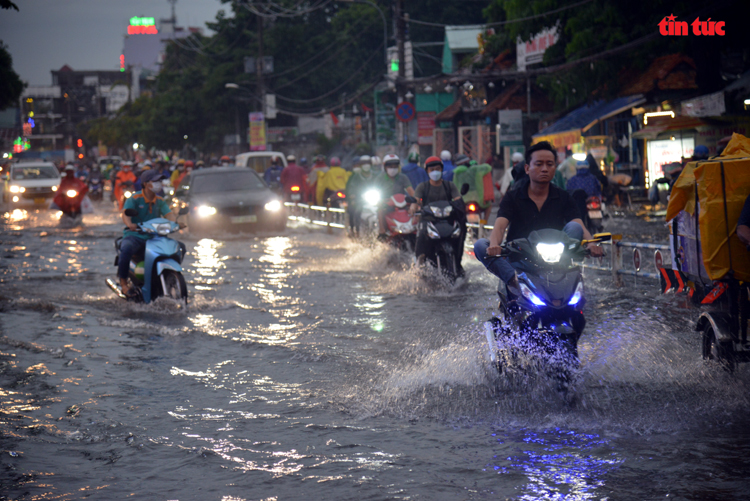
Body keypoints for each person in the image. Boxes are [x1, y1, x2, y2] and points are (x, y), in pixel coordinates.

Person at [474, 141, 605, 290]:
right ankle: (514, 281)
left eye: (549, 164)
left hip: (555, 259)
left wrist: (591, 243)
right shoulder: (513, 197)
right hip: (520, 258)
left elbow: (578, 224)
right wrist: (494, 245)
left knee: (574, 227)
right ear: (527, 168)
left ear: (555, 168)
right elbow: (499, 227)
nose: (544, 169)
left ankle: (565, 275)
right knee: (480, 245)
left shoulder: (564, 197)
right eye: (539, 164)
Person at [118, 169, 178, 298]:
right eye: (155, 181)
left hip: (155, 236)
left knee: (179, 248)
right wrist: (130, 224)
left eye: (159, 181)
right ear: (145, 184)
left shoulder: (160, 200)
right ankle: (123, 284)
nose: (159, 183)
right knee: (126, 248)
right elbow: (125, 214)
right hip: (136, 235)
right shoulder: (134, 198)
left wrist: (176, 224)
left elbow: (169, 214)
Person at [409, 156, 466, 272]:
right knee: (421, 238)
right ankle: (419, 266)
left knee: (462, 228)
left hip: (447, 220)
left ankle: (458, 262)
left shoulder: (450, 186)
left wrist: (460, 205)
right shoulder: (423, 187)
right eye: (432, 170)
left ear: (441, 170)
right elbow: (415, 200)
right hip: (428, 220)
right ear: (427, 172)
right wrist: (413, 207)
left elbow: (458, 199)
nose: (435, 171)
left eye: (437, 169)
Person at [374, 154, 415, 236]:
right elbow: (375, 192)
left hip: (402, 204)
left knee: (416, 211)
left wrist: (415, 201)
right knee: (380, 210)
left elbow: (410, 190)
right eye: (390, 166)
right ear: (385, 167)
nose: (393, 169)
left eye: (395, 166)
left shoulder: (403, 177)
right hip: (386, 205)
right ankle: (382, 231)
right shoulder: (379, 178)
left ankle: (416, 231)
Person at [345, 157, 376, 237]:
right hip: (359, 200)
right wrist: (352, 196)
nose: (366, 165)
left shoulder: (375, 175)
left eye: (368, 163)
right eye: (364, 163)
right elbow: (352, 187)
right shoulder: (356, 176)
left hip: (374, 199)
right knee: (356, 212)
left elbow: (381, 185)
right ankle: (356, 231)